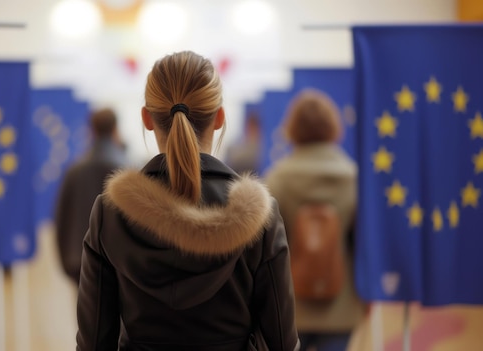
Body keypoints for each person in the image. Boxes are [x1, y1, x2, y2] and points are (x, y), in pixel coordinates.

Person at [76, 51, 299, 351]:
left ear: (147, 118)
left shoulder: (110, 213)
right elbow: (282, 342)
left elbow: (93, 343)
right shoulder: (260, 214)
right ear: (220, 118)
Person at [264, 89, 366, 351]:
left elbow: (264, 247)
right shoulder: (355, 178)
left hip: (289, 307)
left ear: (292, 127)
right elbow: (365, 246)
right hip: (341, 306)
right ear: (333, 126)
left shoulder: (276, 179)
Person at [54, 107, 128, 284]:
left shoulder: (74, 171)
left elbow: (61, 218)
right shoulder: (126, 171)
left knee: (84, 310)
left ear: (91, 130)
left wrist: (66, 260)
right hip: (118, 263)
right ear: (115, 129)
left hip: (79, 260)